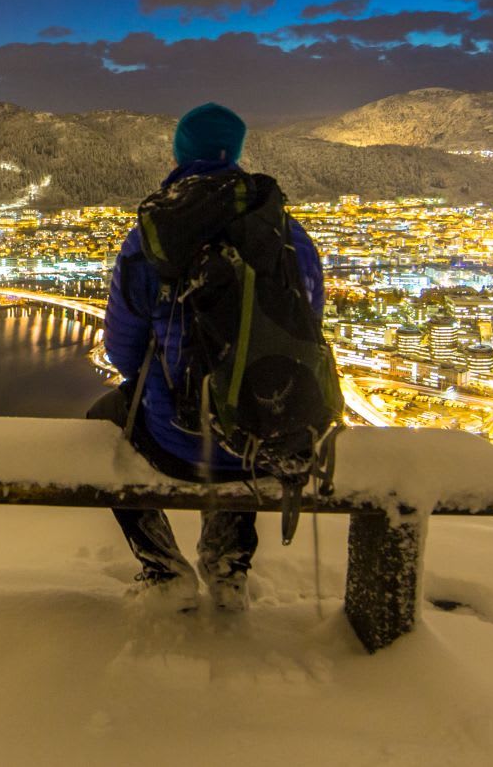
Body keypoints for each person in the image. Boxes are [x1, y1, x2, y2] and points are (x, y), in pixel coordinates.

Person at [88, 101, 326, 612]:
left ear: (179, 153)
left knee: (101, 423)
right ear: (236, 155)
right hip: (265, 439)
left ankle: (162, 567)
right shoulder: (289, 235)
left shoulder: (153, 236)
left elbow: (123, 352)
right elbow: (306, 334)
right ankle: (227, 566)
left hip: (176, 440)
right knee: (249, 402)